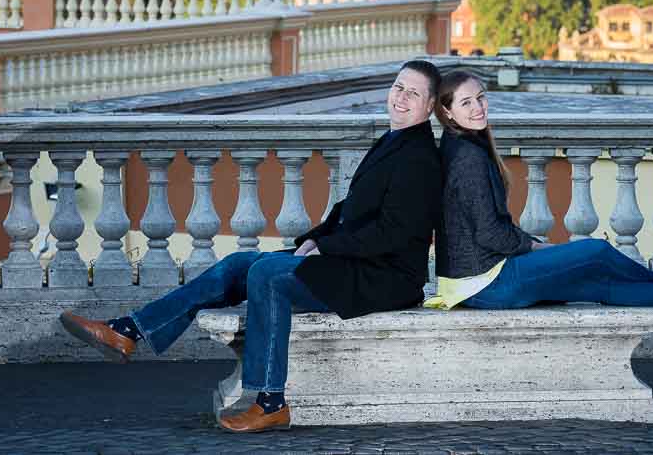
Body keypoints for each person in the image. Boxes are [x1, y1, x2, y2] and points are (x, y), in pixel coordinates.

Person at [60, 60, 443, 434]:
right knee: (240, 263)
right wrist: (314, 238)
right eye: (398, 87)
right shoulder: (394, 139)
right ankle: (129, 331)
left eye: (413, 93)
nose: (401, 97)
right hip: (354, 259)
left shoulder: (420, 157)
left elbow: (392, 233)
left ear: (429, 106)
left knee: (268, 276)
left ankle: (270, 401)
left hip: (384, 276)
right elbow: (350, 208)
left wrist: (326, 249)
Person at [424, 70, 653, 325]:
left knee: (596, 285)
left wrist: (532, 245)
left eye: (481, 98)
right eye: (466, 103)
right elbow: (490, 233)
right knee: (596, 251)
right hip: (487, 282)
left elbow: (488, 228)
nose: (478, 108)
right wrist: (537, 246)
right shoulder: (468, 158)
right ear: (447, 112)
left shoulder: (463, 146)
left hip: (473, 283)